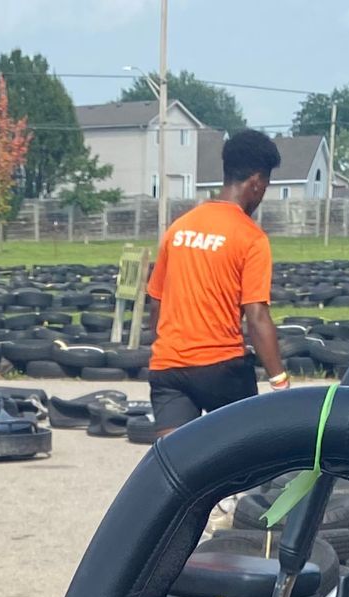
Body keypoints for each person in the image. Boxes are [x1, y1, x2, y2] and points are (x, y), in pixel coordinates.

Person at [146, 129, 291, 434]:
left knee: (175, 468)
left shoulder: (179, 229)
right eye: (265, 185)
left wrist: (170, 347)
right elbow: (257, 316)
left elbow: (156, 302)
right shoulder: (251, 237)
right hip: (221, 370)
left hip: (168, 369)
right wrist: (279, 380)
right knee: (241, 469)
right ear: (256, 182)